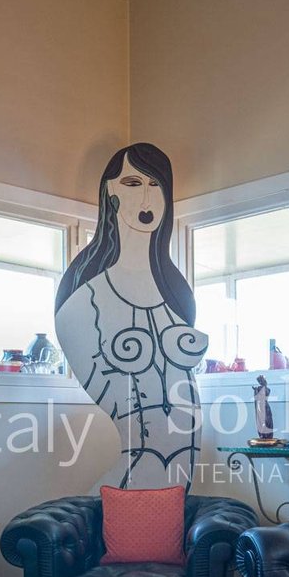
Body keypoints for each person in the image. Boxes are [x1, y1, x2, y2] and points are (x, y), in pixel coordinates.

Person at [54, 143, 206, 489]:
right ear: (110, 192)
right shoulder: (87, 294)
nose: (147, 199)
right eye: (133, 184)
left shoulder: (175, 292)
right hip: (140, 446)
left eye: (156, 185)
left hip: (182, 457)